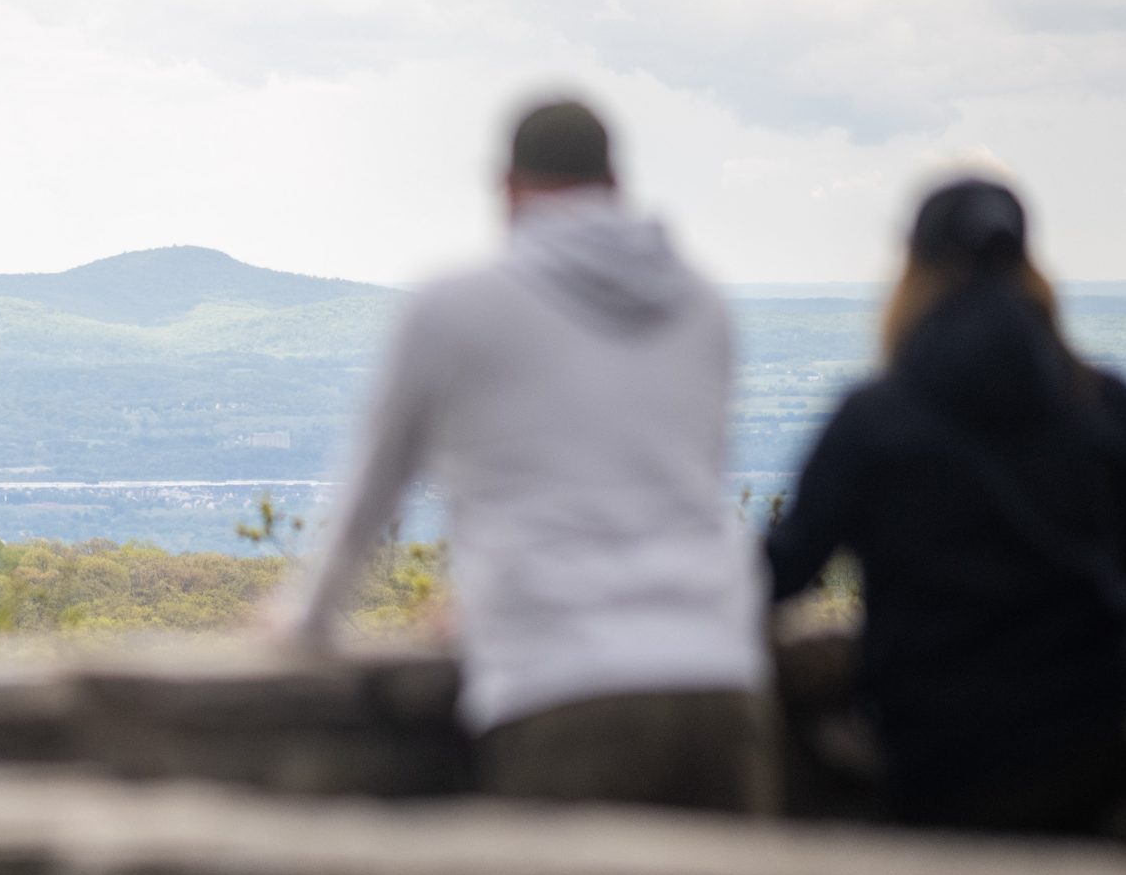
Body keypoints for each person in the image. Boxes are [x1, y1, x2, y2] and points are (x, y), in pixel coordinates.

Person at [273, 96, 770, 811]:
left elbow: (373, 489)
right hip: (720, 676)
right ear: (615, 185)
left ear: (507, 188)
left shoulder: (456, 304)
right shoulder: (705, 305)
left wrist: (307, 623)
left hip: (557, 684)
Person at [766, 177, 1126, 833]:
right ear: (1029, 268)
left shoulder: (875, 418)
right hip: (1094, 754)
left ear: (912, 273)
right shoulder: (1103, 402)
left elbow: (785, 568)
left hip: (932, 762)